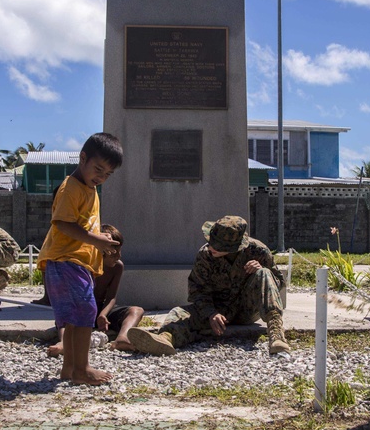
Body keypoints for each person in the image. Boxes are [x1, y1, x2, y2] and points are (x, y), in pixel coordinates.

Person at [127, 215, 290, 357]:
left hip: (246, 308)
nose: (211, 247)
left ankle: (276, 334)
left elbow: (279, 282)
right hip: (216, 311)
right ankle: (165, 339)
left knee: (264, 273)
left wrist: (261, 269)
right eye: (211, 242)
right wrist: (211, 313)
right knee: (180, 312)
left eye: (218, 246)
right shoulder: (205, 255)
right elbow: (196, 290)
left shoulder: (259, 251)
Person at [38, 132, 123, 386]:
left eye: (108, 174)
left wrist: (100, 239)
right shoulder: (71, 187)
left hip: (75, 262)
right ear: (82, 158)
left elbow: (85, 224)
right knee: (86, 310)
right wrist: (96, 241)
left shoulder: (90, 188)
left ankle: (70, 369)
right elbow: (63, 224)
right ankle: (83, 368)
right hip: (65, 260)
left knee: (76, 317)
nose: (101, 177)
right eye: (98, 169)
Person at [47, 224, 145, 357]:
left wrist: (103, 315)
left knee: (136, 310)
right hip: (82, 309)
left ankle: (122, 338)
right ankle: (64, 343)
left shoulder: (117, 267)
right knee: (66, 318)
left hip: (100, 310)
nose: (118, 256)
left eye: (120, 251)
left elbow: (111, 297)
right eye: (113, 253)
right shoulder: (84, 267)